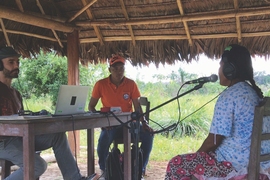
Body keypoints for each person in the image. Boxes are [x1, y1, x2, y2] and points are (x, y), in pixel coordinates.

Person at [165, 44, 270, 179]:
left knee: (176, 164)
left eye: (221, 66)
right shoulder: (253, 93)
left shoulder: (229, 96)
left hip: (234, 166)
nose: (219, 70)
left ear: (229, 69)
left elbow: (213, 141)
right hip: (261, 165)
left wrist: (197, 157)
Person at [0, 46, 95, 180]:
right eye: (11, 62)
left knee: (57, 135)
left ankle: (75, 178)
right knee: (38, 165)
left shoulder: (16, 93)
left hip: (18, 138)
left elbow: (18, 116)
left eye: (17, 62)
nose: (16, 65)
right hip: (3, 142)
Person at [88, 55, 154, 180]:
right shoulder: (100, 85)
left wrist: (144, 123)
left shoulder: (131, 84)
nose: (118, 72)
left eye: (121, 69)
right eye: (115, 69)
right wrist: (102, 122)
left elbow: (137, 107)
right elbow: (91, 106)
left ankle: (140, 168)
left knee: (148, 135)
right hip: (111, 124)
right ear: (109, 70)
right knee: (103, 142)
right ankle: (105, 170)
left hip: (130, 123)